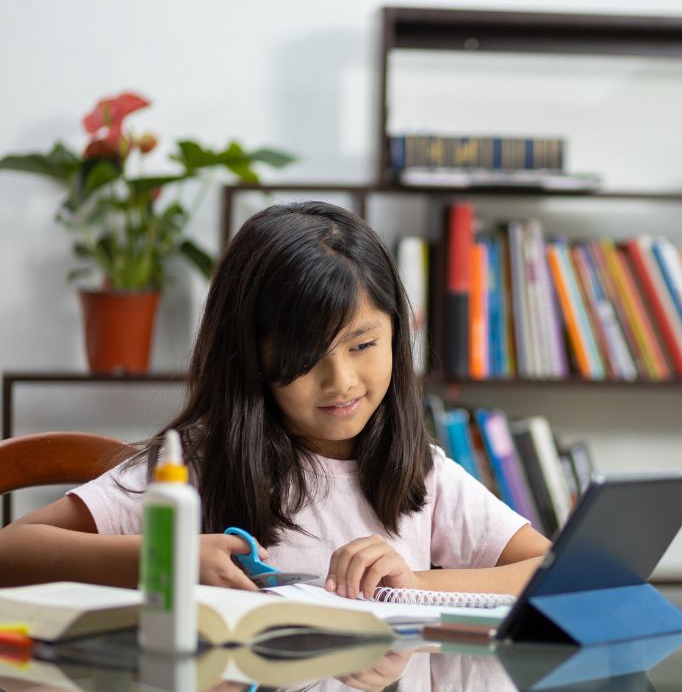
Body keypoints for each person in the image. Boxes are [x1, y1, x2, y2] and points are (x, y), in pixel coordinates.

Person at [0, 201, 550, 597]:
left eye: (363, 345)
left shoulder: (420, 473)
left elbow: (552, 571)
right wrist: (167, 560)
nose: (341, 381)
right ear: (251, 357)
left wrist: (413, 582)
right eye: (306, 357)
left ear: (398, 335)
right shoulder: (195, 465)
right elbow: (10, 551)